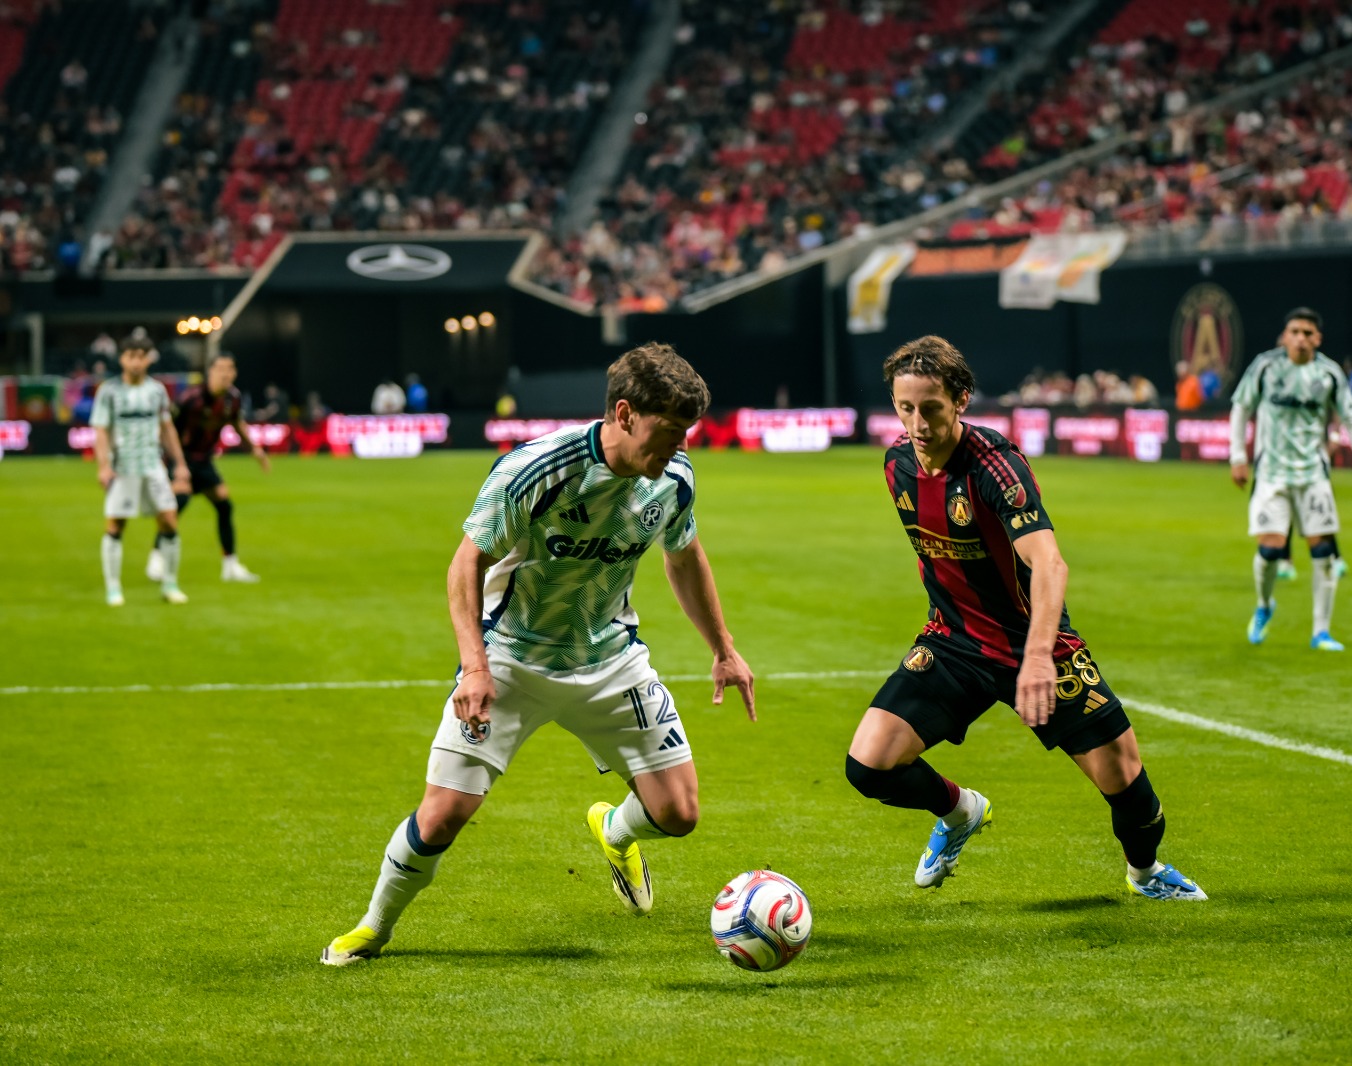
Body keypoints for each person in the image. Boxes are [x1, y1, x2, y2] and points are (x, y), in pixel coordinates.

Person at [322, 343, 757, 966]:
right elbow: (464, 564)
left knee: (679, 813)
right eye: (667, 432)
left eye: (685, 434)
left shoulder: (674, 476)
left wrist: (723, 647)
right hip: (510, 660)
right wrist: (474, 667)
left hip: (609, 657)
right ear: (625, 413)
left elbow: (684, 555)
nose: (676, 448)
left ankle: (614, 831)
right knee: (443, 815)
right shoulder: (537, 469)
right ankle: (374, 925)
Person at [844, 336, 1206, 902]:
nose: (916, 423)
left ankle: (1146, 872)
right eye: (904, 407)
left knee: (1125, 781)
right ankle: (961, 811)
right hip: (954, 641)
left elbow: (1049, 563)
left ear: (960, 399)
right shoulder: (896, 467)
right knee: (868, 766)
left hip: (1033, 644)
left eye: (930, 408)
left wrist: (1037, 657)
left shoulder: (997, 468)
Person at [1230, 308, 1352, 652]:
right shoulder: (1266, 367)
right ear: (1285, 336)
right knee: (1269, 550)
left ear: (1318, 339)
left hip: (1313, 473)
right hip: (1271, 474)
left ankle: (1321, 632)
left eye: (1307, 333)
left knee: (1323, 550)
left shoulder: (1328, 373)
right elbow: (1241, 408)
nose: (1300, 338)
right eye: (1294, 331)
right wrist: (1238, 457)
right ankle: (1265, 604)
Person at [147, 353, 270, 585]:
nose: (225, 373)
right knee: (177, 504)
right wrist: (172, 463)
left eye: (230, 369)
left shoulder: (232, 398)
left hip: (204, 461)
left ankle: (230, 566)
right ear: (210, 372)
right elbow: (166, 428)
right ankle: (156, 558)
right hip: (180, 458)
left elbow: (236, 422)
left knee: (224, 505)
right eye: (220, 369)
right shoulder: (190, 398)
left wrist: (255, 449)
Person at [91, 334, 190, 606]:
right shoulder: (108, 391)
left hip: (152, 466)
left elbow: (166, 428)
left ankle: (170, 584)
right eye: (131, 356)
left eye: (141, 356)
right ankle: (113, 588)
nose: (136, 362)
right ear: (122, 359)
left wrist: (180, 464)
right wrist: (103, 466)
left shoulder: (157, 390)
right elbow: (100, 431)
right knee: (116, 525)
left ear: (148, 359)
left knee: (169, 520)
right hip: (123, 468)